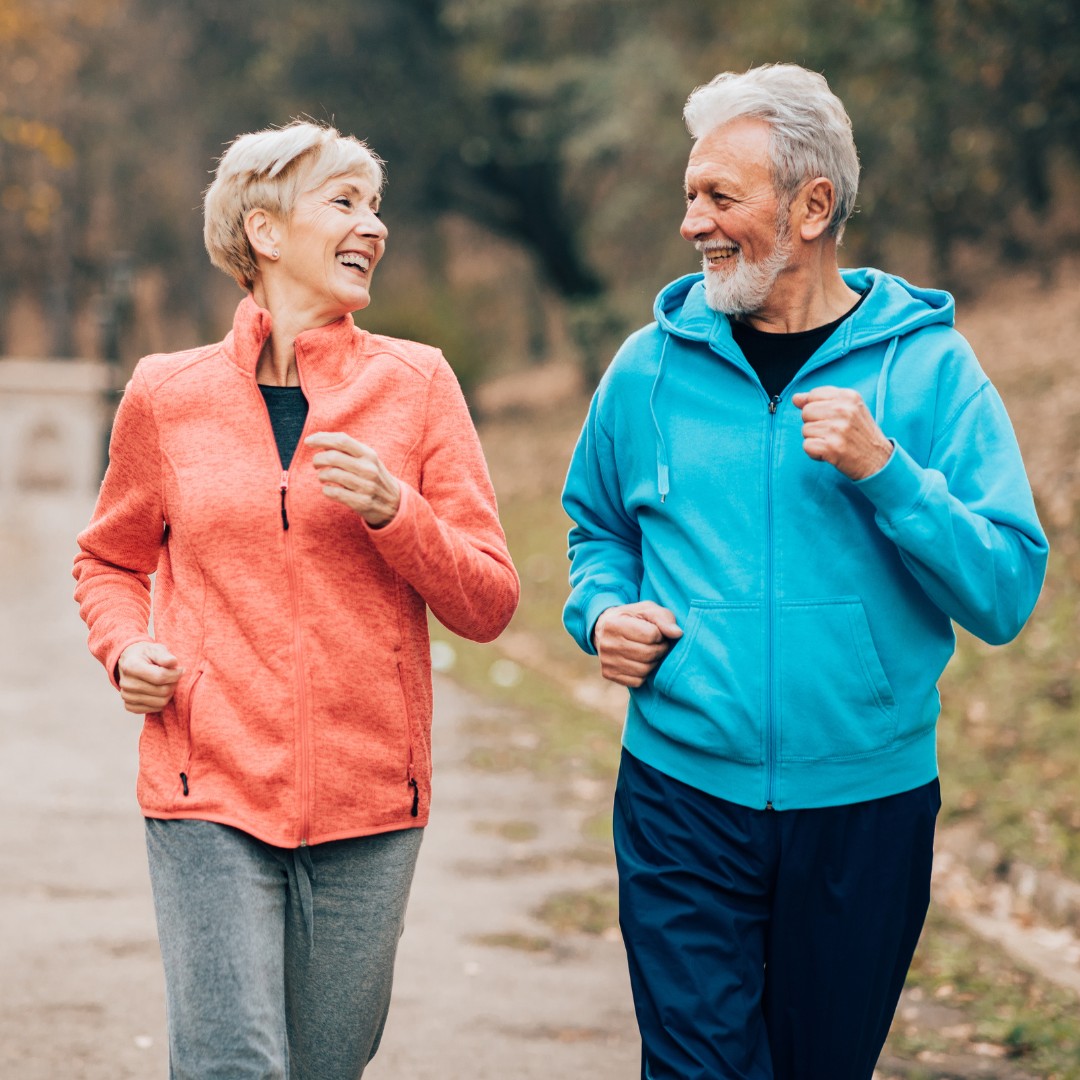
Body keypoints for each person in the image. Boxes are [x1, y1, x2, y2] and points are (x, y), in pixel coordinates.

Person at [562, 63, 1047, 1080]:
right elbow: (595, 530)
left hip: (866, 807)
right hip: (682, 793)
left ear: (812, 206)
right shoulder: (645, 369)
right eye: (689, 195)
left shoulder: (930, 372)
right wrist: (601, 610)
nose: (692, 222)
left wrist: (890, 475)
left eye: (719, 196)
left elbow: (1006, 590)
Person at [73, 120, 519, 1080]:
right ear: (265, 232)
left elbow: (488, 602)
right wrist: (125, 651)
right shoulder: (166, 394)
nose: (376, 226)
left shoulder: (418, 385)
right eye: (346, 202)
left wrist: (398, 513)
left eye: (378, 206)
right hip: (206, 783)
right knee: (235, 1064)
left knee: (322, 1067)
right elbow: (109, 561)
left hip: (371, 800)